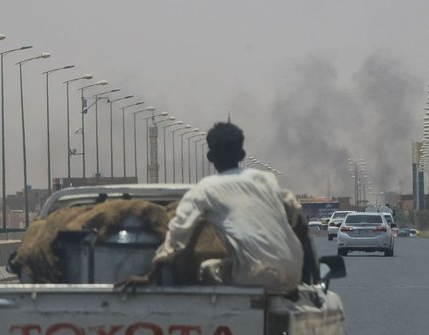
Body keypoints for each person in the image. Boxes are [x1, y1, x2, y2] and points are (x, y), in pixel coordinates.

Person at [123, 122, 304, 292]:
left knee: (207, 269)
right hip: (295, 273)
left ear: (210, 157)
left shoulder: (204, 189)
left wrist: (150, 276)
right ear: (242, 155)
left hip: (255, 276)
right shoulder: (266, 179)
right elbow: (296, 212)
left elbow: (178, 234)